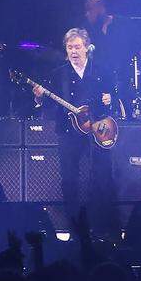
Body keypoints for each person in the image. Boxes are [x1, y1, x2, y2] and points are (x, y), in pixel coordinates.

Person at [32, 28, 116, 232]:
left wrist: (110, 98)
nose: (73, 51)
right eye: (70, 47)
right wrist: (39, 97)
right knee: (69, 179)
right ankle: (74, 228)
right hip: (68, 133)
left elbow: (113, 93)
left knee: (102, 176)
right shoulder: (58, 73)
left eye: (77, 46)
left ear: (87, 48)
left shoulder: (101, 70)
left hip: (97, 130)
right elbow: (48, 106)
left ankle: (103, 226)